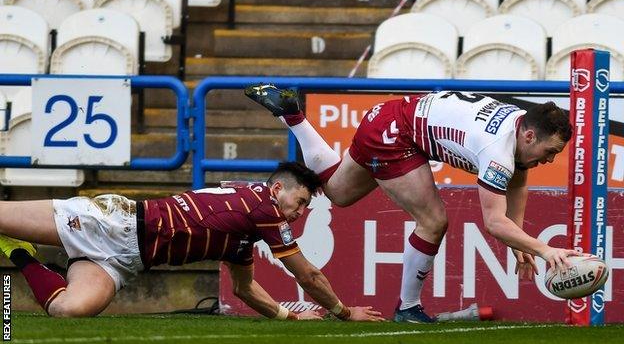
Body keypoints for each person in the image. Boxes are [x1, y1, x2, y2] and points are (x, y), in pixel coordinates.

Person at [245, 84, 582, 323]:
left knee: (338, 194)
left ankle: (294, 117)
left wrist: (520, 235)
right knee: (433, 221)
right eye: (550, 152)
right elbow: (494, 223)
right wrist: (545, 250)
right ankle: (408, 307)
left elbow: (519, 174)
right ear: (529, 136)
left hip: (390, 116)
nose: (550, 161)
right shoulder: (496, 151)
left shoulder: (523, 126)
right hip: (398, 136)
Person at [0, 162, 384, 321]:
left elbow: (245, 289)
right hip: (112, 223)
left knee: (69, 311)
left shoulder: (246, 226)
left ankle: (16, 251)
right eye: (299, 202)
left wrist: (290, 317)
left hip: (125, 261)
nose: (298, 213)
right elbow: (308, 275)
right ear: (278, 188)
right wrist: (344, 312)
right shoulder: (265, 208)